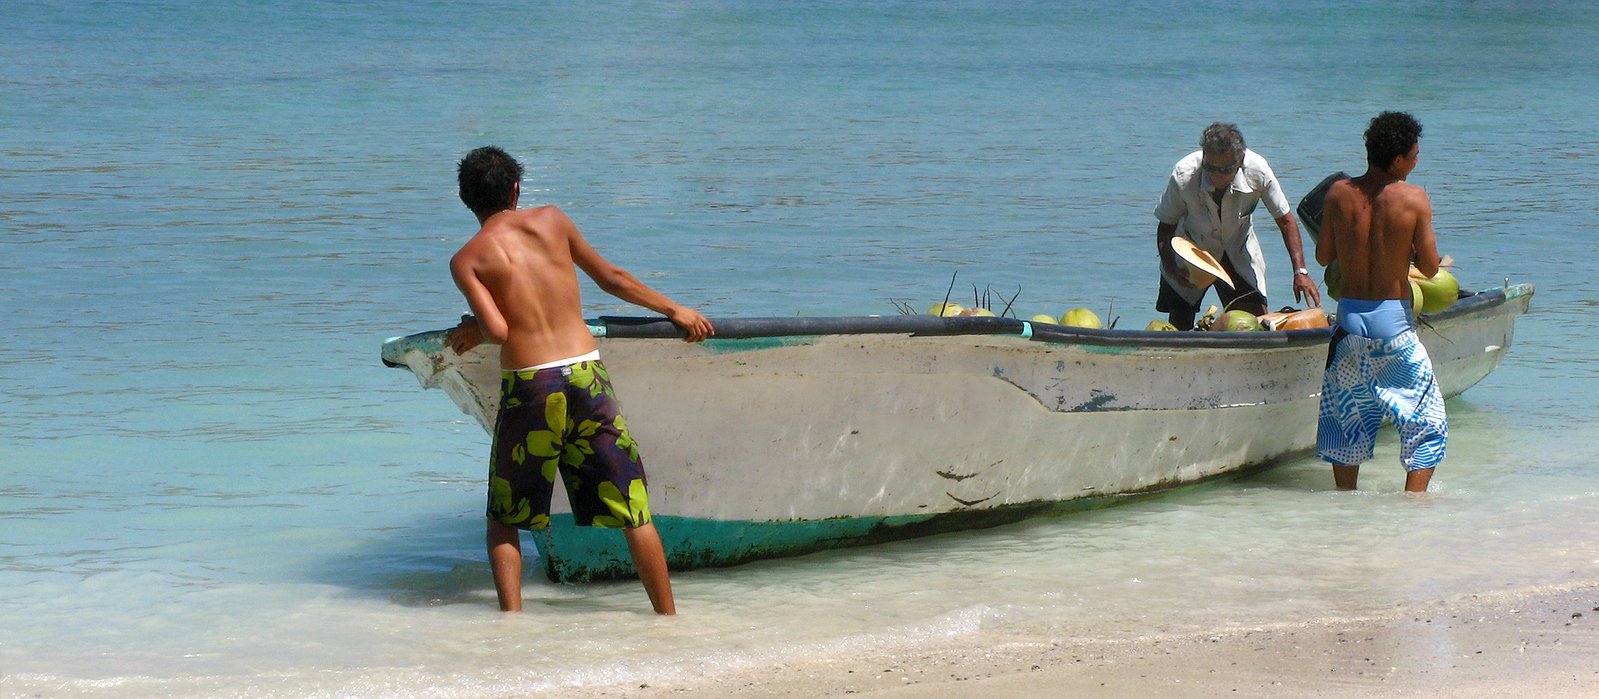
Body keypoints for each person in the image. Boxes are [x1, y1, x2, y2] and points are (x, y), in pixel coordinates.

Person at [444, 146, 715, 613]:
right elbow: (610, 277)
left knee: (505, 516)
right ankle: (667, 618)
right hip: (585, 375)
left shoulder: (466, 259)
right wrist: (674, 309)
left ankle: (510, 624)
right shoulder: (552, 220)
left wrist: (472, 326)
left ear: (466, 200)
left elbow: (499, 331)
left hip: (531, 385)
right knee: (633, 507)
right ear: (515, 189)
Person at [1314, 112, 1445, 493]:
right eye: (1415, 155)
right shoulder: (1413, 197)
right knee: (1426, 421)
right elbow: (1432, 268)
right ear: (1398, 160)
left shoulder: (1338, 192)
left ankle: (1345, 506)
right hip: (1394, 327)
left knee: (1345, 422)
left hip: (1349, 326)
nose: (1417, 161)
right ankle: (1414, 505)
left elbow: (1324, 256)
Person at [1155, 122, 1321, 329]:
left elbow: (1286, 221)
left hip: (1237, 247)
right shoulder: (1184, 174)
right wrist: (1170, 265)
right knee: (1179, 325)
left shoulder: (1258, 170)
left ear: (1240, 161)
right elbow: (1166, 225)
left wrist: (1300, 272)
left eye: (1225, 170)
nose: (1216, 176)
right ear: (1204, 157)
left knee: (1255, 322)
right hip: (1191, 249)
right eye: (1211, 168)